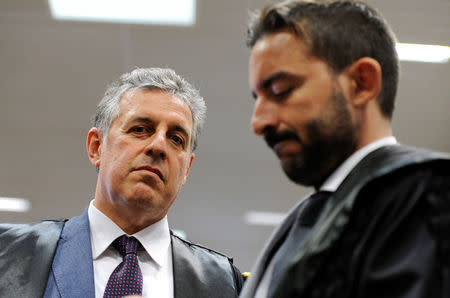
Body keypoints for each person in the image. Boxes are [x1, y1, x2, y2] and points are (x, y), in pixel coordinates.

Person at [240, 1, 450, 297]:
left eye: (280, 91)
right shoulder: (302, 221)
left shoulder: (423, 198)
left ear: (361, 83)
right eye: (257, 98)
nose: (259, 122)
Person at [0, 68, 243, 298]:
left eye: (176, 139)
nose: (158, 146)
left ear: (187, 169)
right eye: (140, 129)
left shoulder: (223, 284)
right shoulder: (11, 253)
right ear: (96, 147)